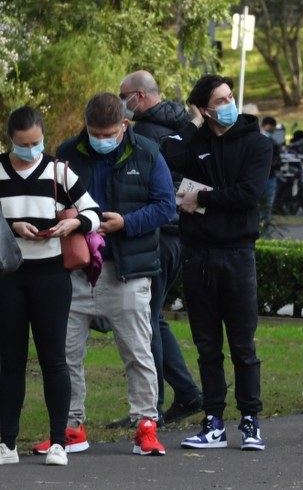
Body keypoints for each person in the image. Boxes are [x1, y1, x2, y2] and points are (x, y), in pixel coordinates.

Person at [55, 93, 174, 456]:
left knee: (138, 352)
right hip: (76, 269)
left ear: (125, 124)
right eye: (94, 132)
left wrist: (126, 223)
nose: (101, 139)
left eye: (108, 133)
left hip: (127, 270)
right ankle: (71, 428)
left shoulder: (148, 152)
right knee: (66, 353)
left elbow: (166, 206)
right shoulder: (67, 152)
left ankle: (145, 426)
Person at [163, 74, 273, 450]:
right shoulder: (196, 142)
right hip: (198, 255)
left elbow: (248, 194)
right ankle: (213, 421)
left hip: (238, 255)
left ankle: (250, 420)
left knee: (243, 345)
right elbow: (167, 158)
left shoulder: (257, 143)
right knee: (207, 346)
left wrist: (204, 198)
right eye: (219, 100)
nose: (228, 104)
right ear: (204, 109)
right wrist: (193, 124)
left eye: (230, 96)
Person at [0, 107, 101, 467]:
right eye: (23, 144)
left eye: (37, 143)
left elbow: (93, 212)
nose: (32, 150)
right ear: (10, 139)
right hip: (8, 277)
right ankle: (6, 441)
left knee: (54, 359)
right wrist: (13, 227)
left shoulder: (59, 170)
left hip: (51, 277)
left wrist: (72, 227)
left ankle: (59, 441)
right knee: (9, 361)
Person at [114, 70, 204, 428]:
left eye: (124, 96)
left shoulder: (146, 136)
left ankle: (153, 405)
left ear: (139, 96)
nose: (122, 102)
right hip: (179, 234)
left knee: (146, 321)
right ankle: (185, 393)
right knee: (154, 318)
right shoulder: (184, 126)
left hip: (156, 235)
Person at [258, 116, 282, 237]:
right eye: (268, 130)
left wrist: (273, 162)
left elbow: (278, 161)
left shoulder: (274, 143)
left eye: (272, 131)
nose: (270, 133)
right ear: (262, 127)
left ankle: (265, 235)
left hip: (270, 178)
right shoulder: (255, 140)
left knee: (267, 209)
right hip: (257, 179)